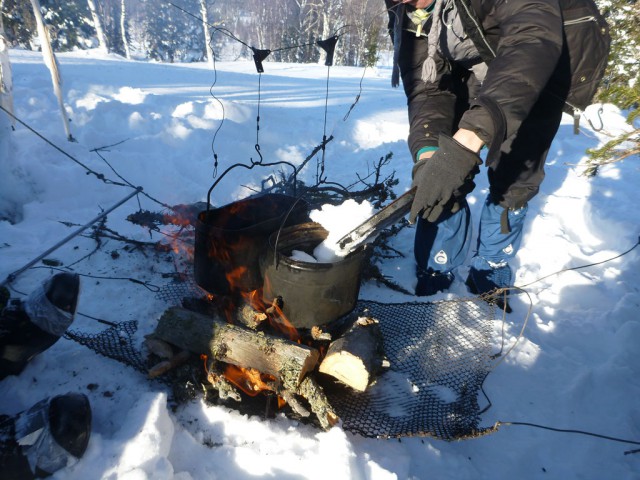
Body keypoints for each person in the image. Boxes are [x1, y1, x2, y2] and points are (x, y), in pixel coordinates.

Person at [385, 0, 588, 310]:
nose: (411, 2)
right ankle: (439, 261)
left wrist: (470, 138)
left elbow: (531, 38)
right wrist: (429, 153)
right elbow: (425, 86)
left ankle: (490, 267)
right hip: (469, 60)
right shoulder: (407, 6)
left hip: (543, 54)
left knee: (518, 168)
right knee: (441, 166)